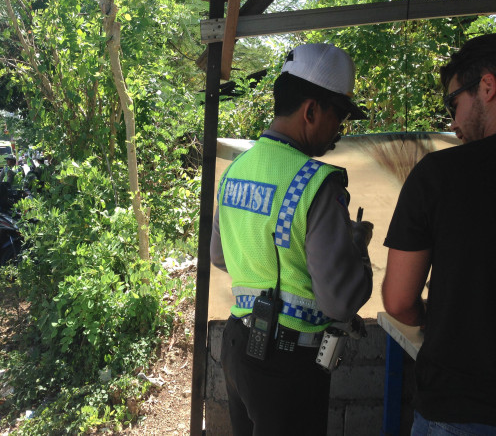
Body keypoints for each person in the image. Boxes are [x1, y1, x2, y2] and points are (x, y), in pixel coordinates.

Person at [210, 43, 374, 435]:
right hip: (285, 365)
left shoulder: (237, 168)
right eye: (339, 116)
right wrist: (356, 250)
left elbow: (220, 255)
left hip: (236, 349)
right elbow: (340, 300)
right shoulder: (317, 182)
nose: (339, 130)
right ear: (312, 110)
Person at [382, 34, 496, 435]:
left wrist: (433, 321)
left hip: (460, 405)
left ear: (487, 86)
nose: (453, 121)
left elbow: (398, 300)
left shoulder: (438, 175)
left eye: (454, 103)